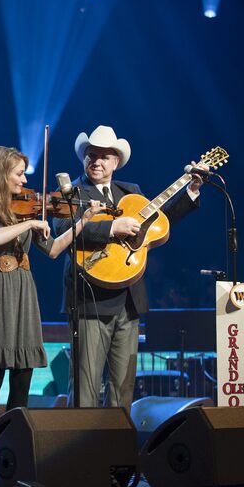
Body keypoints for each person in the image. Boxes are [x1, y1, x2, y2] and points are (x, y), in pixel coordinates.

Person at [52, 125, 207, 410]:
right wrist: (113, 227)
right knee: (85, 386)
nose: (96, 161)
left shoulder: (131, 192)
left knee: (123, 386)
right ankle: (77, 450)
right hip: (90, 301)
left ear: (116, 162)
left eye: (104, 156)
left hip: (129, 301)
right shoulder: (70, 193)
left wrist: (192, 190)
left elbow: (159, 221)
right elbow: (63, 232)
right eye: (91, 155)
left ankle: (117, 447)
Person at [0, 145, 104, 434]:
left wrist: (83, 220)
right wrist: (29, 225)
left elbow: (52, 250)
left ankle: (14, 437)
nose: (24, 181)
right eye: (19, 174)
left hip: (23, 290)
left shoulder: (26, 210)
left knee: (23, 373)